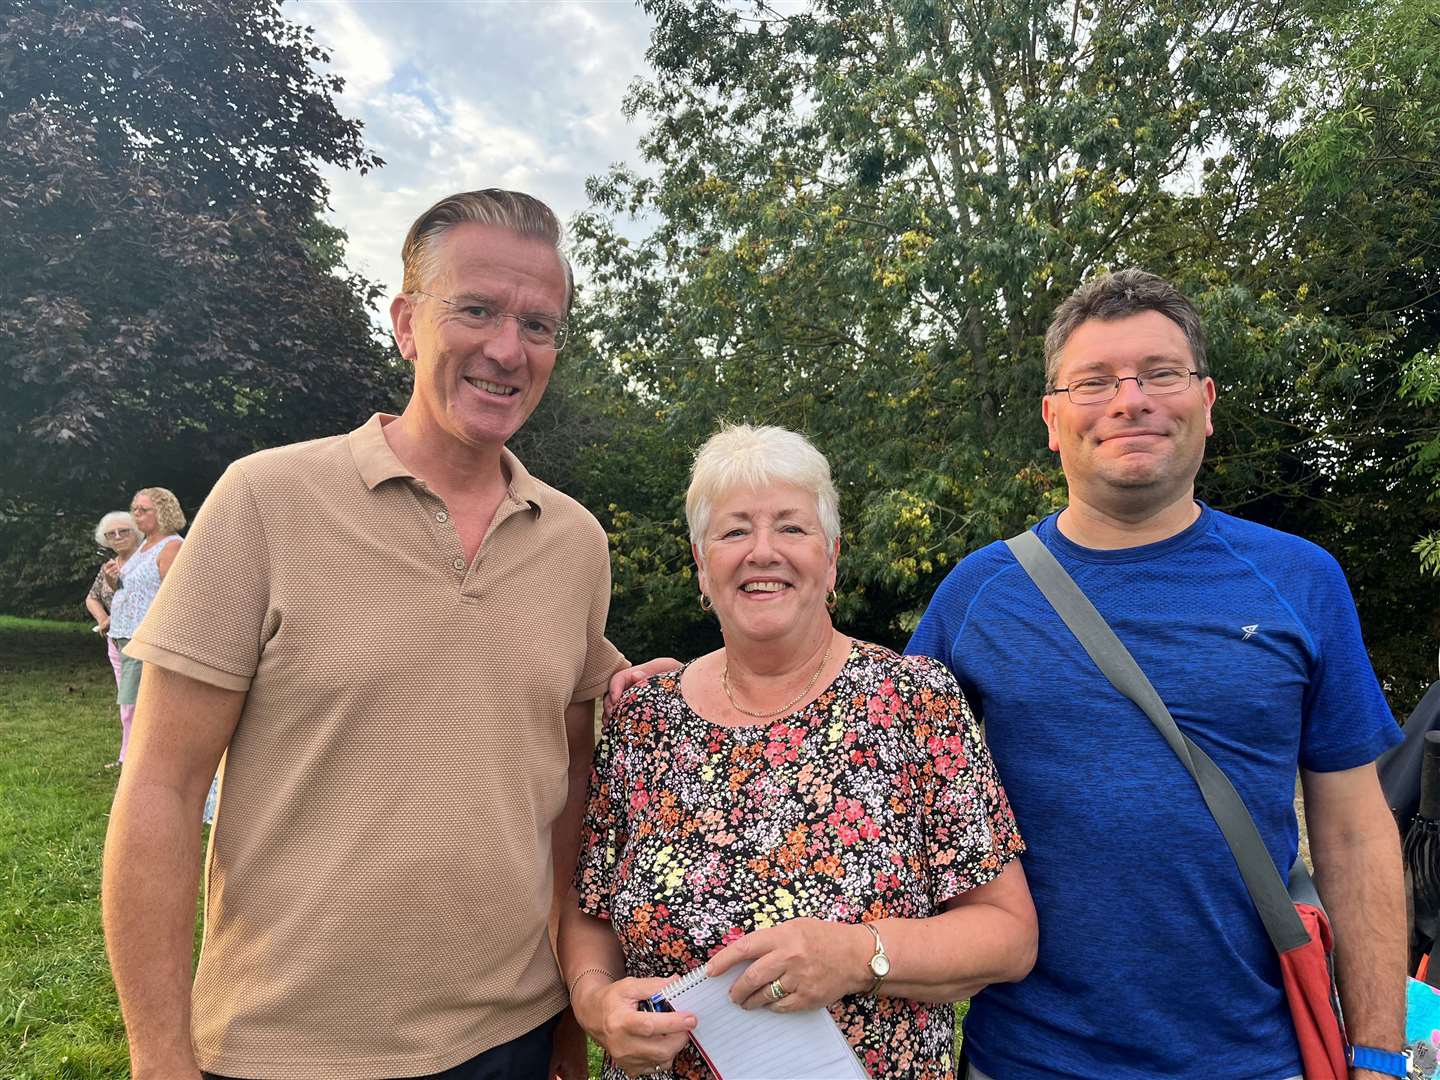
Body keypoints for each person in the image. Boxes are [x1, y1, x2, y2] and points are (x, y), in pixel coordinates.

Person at [102, 190, 625, 1080]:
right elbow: (162, 782)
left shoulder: (574, 542)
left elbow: (569, 789)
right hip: (286, 1049)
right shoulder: (264, 500)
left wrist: (570, 1018)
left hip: (513, 1037)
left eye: (540, 324)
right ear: (407, 323)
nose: (508, 348)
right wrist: (159, 1057)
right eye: (477, 309)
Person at [906, 270, 1406, 1079]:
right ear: (1052, 418)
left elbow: (1353, 830)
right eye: (1094, 381)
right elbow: (868, 769)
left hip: (1259, 1058)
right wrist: (687, 684)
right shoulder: (976, 594)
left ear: (1206, 401)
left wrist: (1382, 1054)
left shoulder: (1302, 580)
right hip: (1030, 1059)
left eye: (1159, 374)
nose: (1128, 400)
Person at [561, 424, 1036, 1080]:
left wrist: (858, 955)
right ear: (702, 564)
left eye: (791, 527)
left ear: (832, 556)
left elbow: (1008, 936)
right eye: (733, 532)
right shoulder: (644, 717)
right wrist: (594, 1003)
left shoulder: (914, 701)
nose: (763, 552)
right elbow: (589, 910)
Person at [104, 488, 185, 769]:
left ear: (163, 512)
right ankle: (134, 757)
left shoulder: (172, 546)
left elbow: (173, 597)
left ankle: (142, 761)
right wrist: (114, 580)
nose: (135, 515)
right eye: (134, 509)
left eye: (143, 510)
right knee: (129, 704)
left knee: (138, 703)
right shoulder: (144, 545)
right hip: (120, 635)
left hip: (143, 637)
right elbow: (129, 591)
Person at [85, 510, 140, 767]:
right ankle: (126, 757)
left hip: (139, 641)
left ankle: (135, 759)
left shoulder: (149, 562)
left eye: (123, 531)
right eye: (111, 534)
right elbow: (92, 597)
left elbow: (140, 600)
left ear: (136, 531)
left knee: (136, 701)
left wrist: (117, 585)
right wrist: (103, 619)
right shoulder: (109, 566)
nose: (117, 537)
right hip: (115, 641)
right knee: (127, 702)